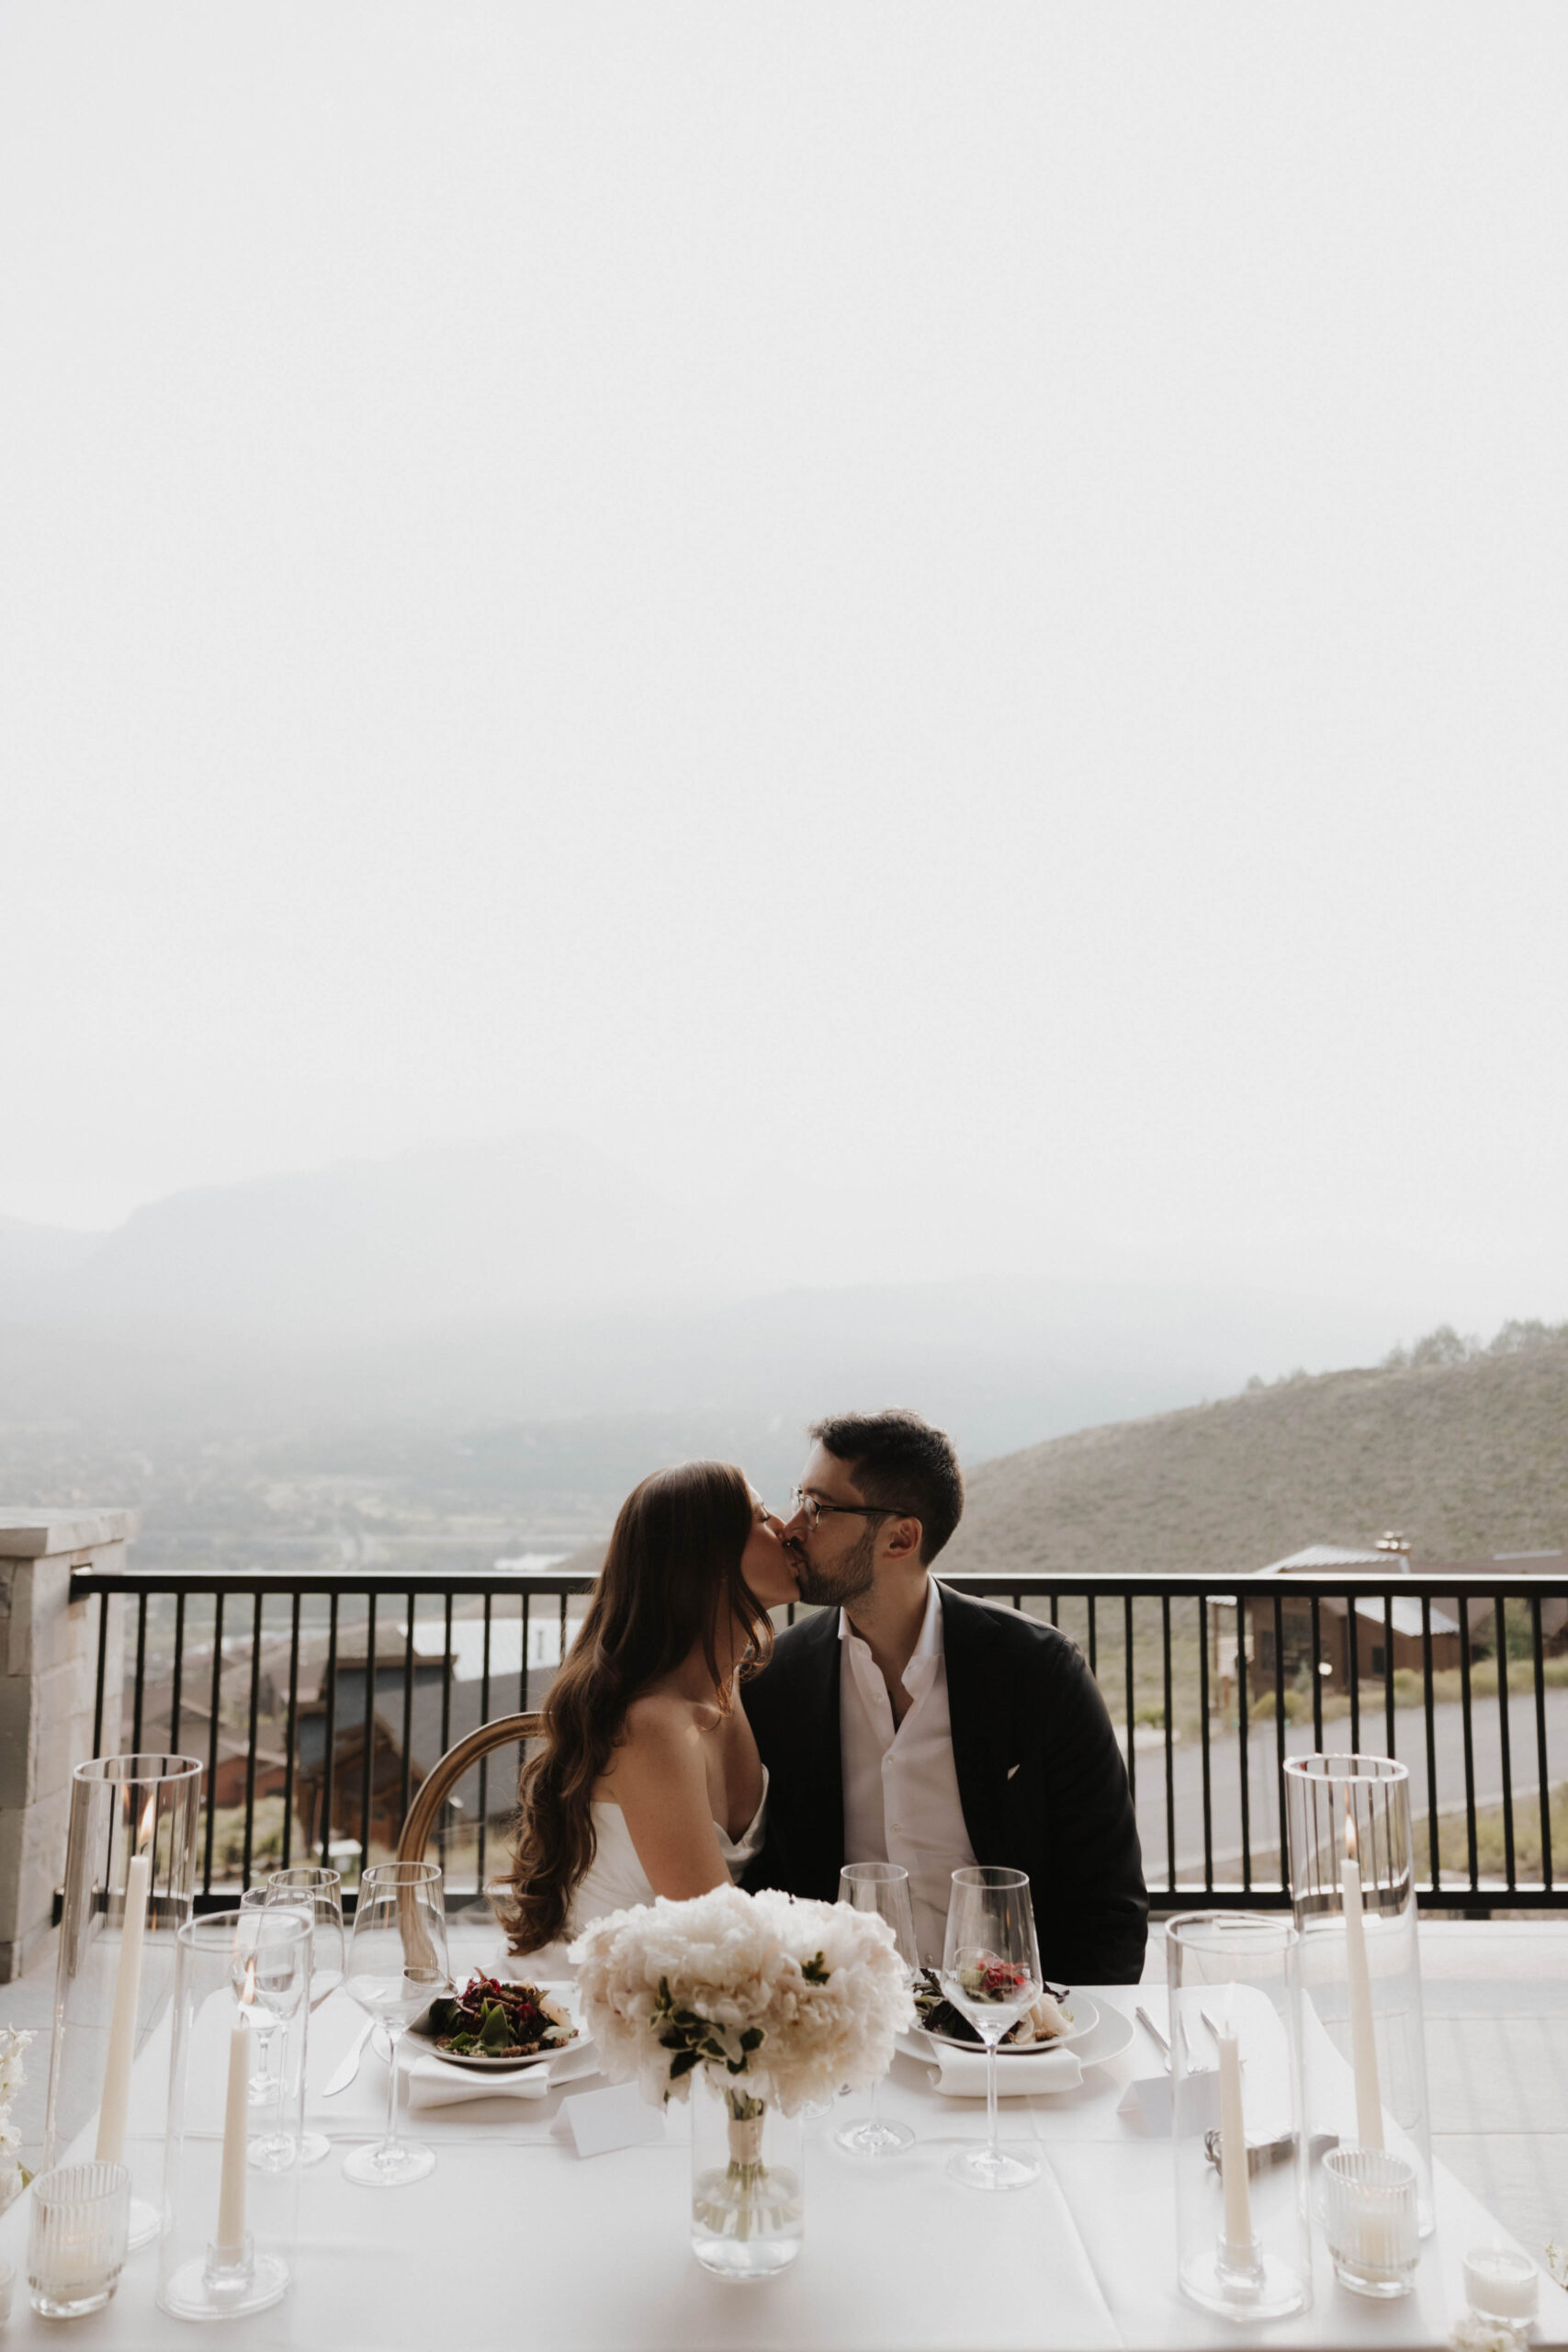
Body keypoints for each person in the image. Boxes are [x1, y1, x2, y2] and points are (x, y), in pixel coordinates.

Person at [744, 1409, 1147, 1983]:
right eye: (799, 1498)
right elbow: (761, 1887)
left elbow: (1110, 1903)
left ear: (901, 1538)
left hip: (1007, 2028)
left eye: (819, 1508)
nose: (792, 1526)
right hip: (844, 2027)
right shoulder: (776, 1680)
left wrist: (1048, 2041)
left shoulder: (1039, 1672)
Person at [501, 1461, 799, 1954]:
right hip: (595, 2007)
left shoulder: (735, 1687)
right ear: (712, 1560)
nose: (785, 1530)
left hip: (699, 1989)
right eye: (763, 1517)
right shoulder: (651, 1725)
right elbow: (720, 1935)